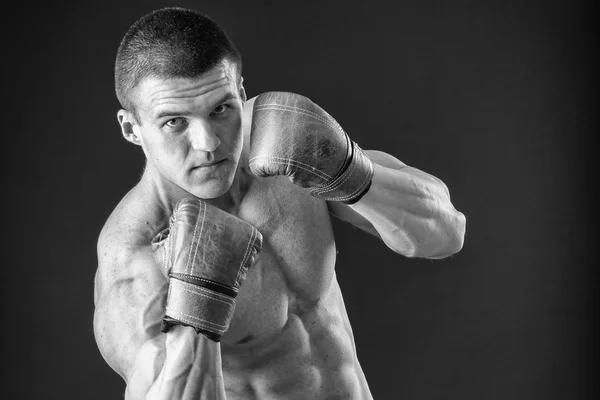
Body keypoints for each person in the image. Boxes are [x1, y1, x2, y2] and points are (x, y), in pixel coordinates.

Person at [93, 7, 466, 400]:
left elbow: (446, 233)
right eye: (175, 122)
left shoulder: (280, 139)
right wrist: (195, 310)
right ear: (131, 128)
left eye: (220, 109)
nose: (208, 144)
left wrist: (348, 171)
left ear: (240, 93)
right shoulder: (135, 253)